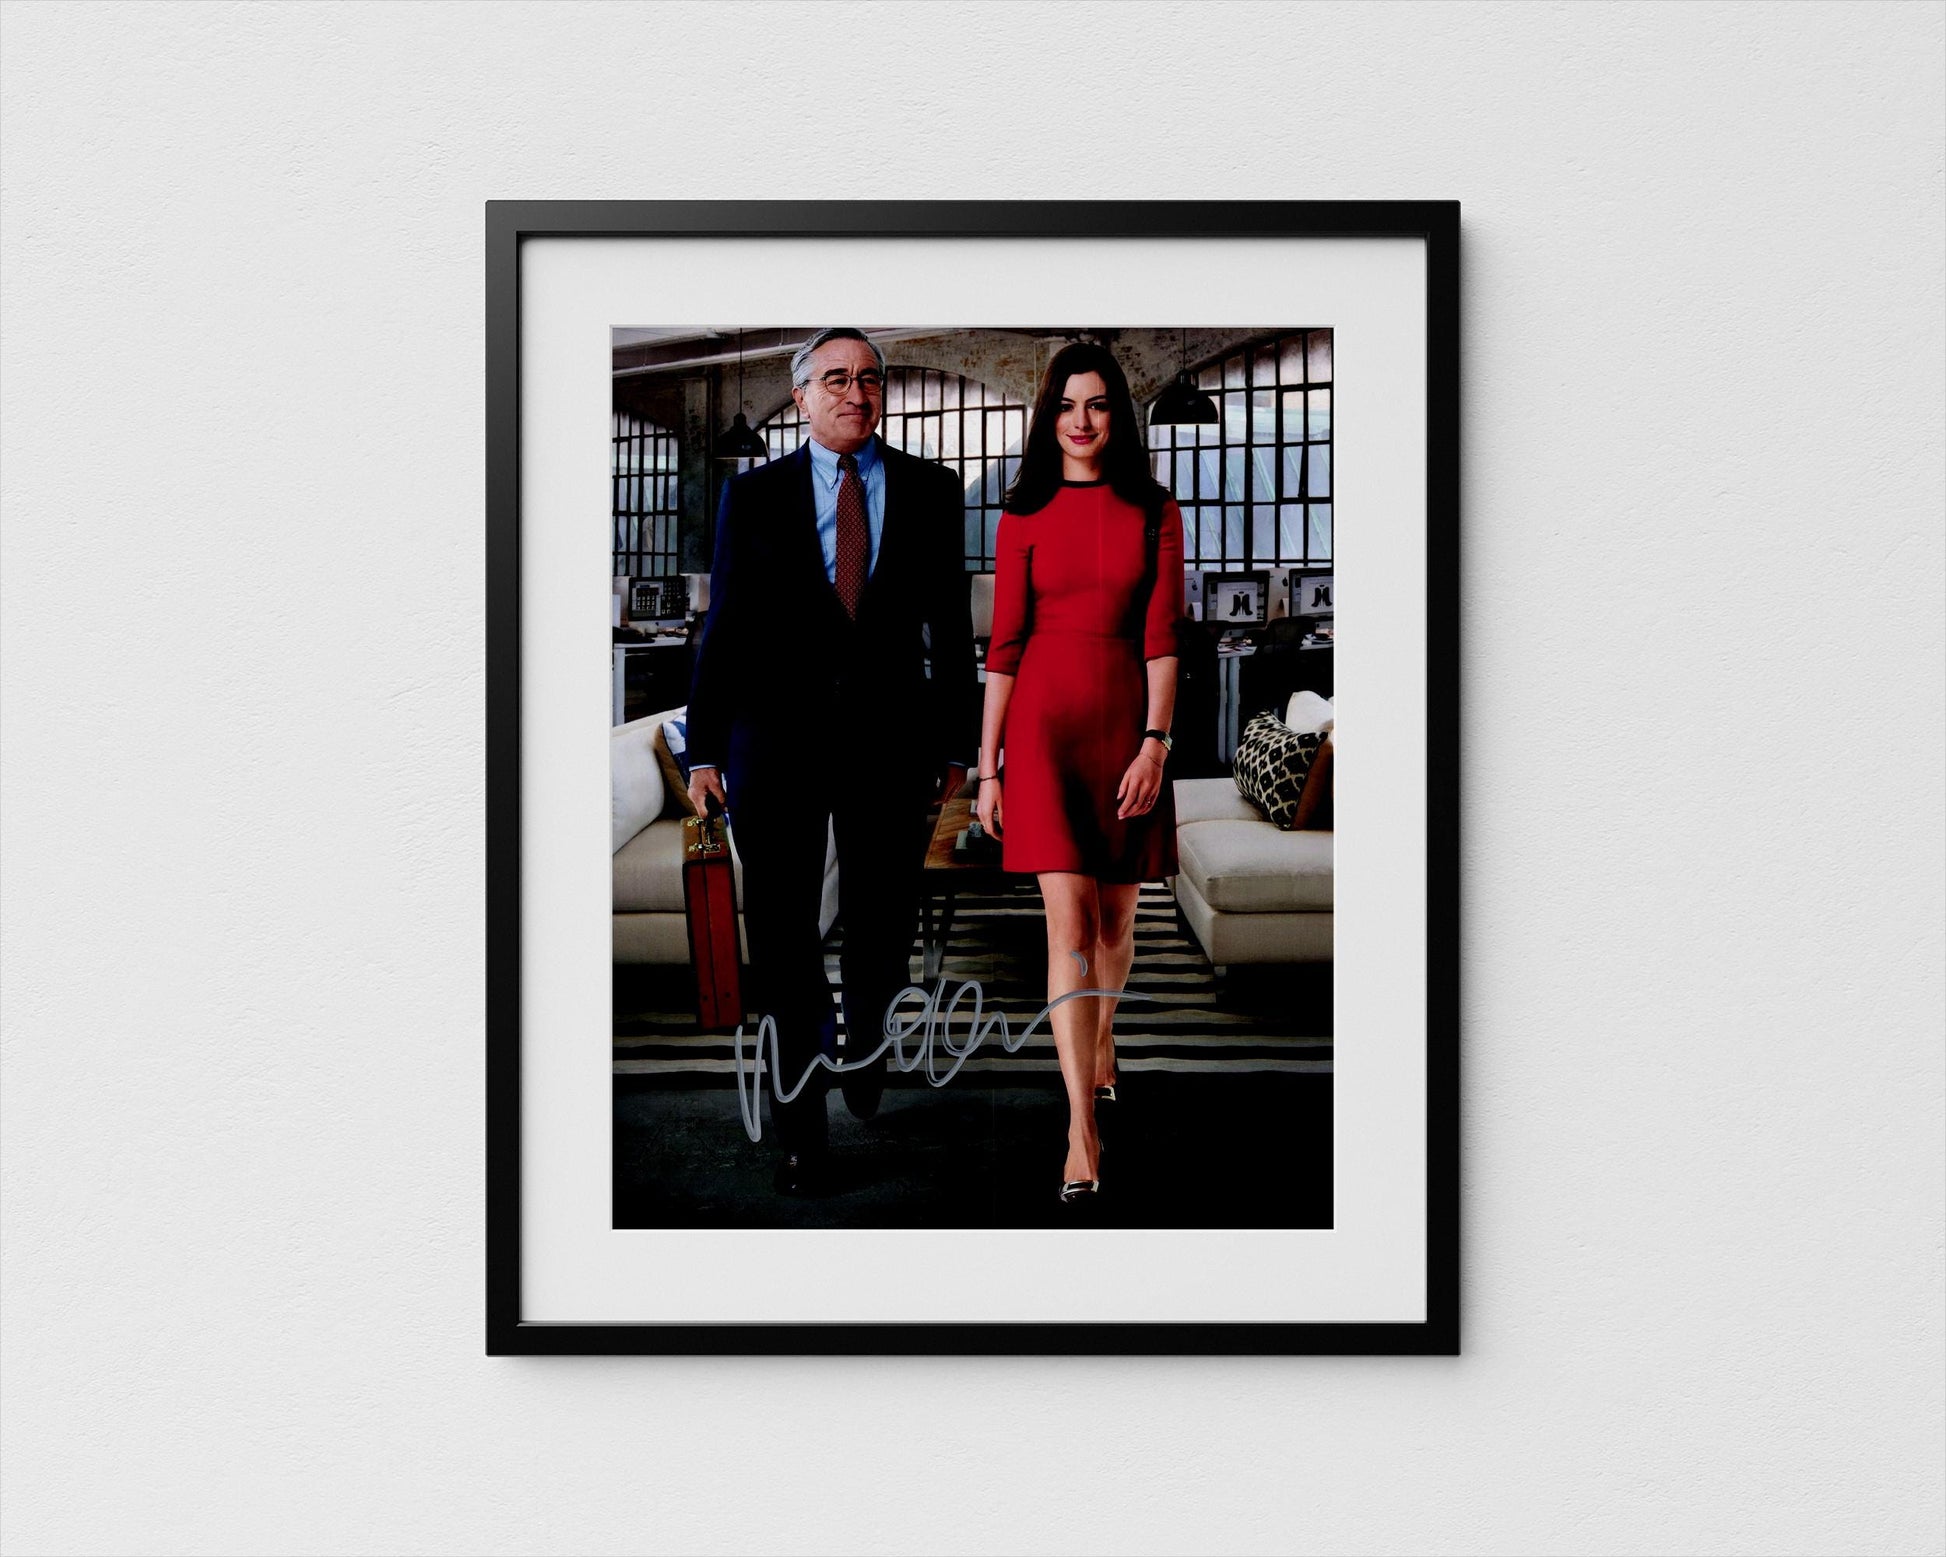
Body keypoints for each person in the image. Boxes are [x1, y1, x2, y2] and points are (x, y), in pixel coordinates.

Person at [687, 328, 976, 1195]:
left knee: (883, 927)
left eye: (870, 378)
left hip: (892, 744)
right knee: (784, 940)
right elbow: (724, 626)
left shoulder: (932, 488)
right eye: (837, 378)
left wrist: (958, 742)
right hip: (774, 742)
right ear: (803, 396)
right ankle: (802, 1132)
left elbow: (950, 628)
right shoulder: (752, 494)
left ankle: (868, 1045)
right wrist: (704, 748)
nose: (857, 392)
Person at [975, 341, 1182, 1205]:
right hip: (1044, 736)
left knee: (1115, 924)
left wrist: (1155, 744)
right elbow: (1004, 647)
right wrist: (988, 767)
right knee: (1070, 925)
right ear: (1048, 416)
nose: (1082, 420)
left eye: (1097, 404)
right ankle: (1079, 1126)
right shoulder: (1021, 513)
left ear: (1116, 415)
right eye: (1066, 405)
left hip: (1127, 730)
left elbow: (1164, 638)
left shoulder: (1155, 510)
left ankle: (1103, 1037)